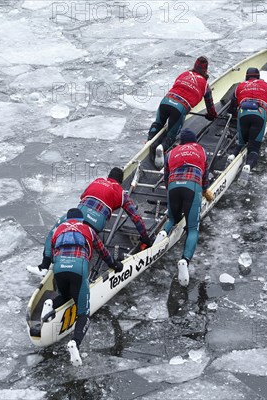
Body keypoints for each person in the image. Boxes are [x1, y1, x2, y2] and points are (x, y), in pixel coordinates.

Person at [39, 208, 123, 366]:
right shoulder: (88, 230)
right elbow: (103, 252)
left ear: (68, 220)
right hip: (78, 268)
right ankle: (75, 343)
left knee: (65, 296)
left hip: (59, 268)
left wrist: (45, 263)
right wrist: (115, 265)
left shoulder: (59, 229)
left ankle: (49, 305)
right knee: (83, 313)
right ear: (81, 219)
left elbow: (49, 249)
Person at [153, 129, 214, 287]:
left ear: (181, 142)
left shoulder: (171, 153)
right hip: (192, 186)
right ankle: (184, 260)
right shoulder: (201, 150)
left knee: (173, 218)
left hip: (173, 186)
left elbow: (166, 177)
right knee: (193, 227)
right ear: (194, 141)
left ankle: (162, 234)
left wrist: (173, 191)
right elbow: (205, 174)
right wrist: (205, 190)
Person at [147, 56, 219, 168]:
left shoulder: (183, 74)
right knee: (172, 134)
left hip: (166, 101)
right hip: (180, 108)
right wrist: (212, 116)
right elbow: (209, 105)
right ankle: (162, 147)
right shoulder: (205, 85)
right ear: (205, 70)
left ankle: (149, 143)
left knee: (158, 123)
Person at [78, 167, 153, 247]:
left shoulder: (97, 181)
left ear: (108, 176)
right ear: (120, 182)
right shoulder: (121, 193)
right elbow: (135, 217)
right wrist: (144, 236)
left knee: (79, 230)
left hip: (79, 215)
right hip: (96, 221)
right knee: (91, 234)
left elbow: (82, 196)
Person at [228, 67, 267, 185]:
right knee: (254, 147)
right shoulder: (266, 86)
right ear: (258, 76)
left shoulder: (240, 86)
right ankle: (248, 166)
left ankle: (232, 156)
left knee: (241, 142)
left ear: (246, 76)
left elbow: (232, 105)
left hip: (243, 113)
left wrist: (235, 116)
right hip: (259, 114)